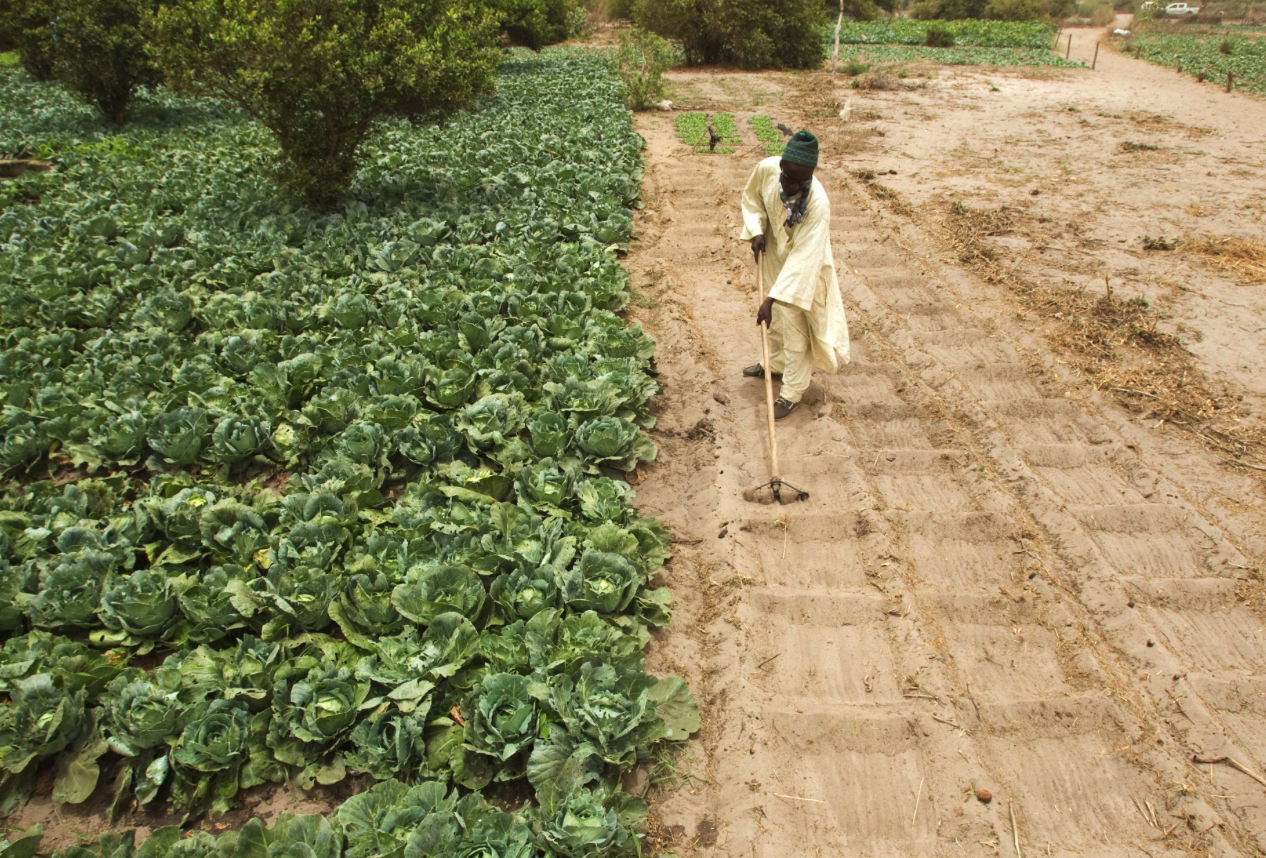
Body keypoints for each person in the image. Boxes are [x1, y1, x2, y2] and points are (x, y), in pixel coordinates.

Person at [739, 130, 850, 419]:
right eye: (785, 177)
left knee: (795, 326)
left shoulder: (817, 205)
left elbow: (803, 259)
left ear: (810, 176)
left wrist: (772, 299)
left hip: (806, 263)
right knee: (774, 324)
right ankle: (772, 366)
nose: (788, 185)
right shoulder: (767, 169)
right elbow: (753, 200)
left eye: (797, 181)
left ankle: (790, 394)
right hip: (776, 248)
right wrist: (757, 231)